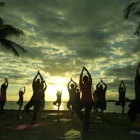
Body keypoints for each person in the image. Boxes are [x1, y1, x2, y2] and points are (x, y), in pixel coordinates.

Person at [75, 66, 93, 131]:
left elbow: (82, 77)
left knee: (87, 115)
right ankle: (83, 119)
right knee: (77, 109)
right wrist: (86, 70)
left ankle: (85, 128)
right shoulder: (83, 85)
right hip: (85, 101)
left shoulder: (88, 84)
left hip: (89, 102)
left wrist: (83, 71)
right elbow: (89, 76)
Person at [128, 62, 140, 126]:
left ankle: (137, 120)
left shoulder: (137, 87)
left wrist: (138, 66)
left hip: (138, 102)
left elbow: (136, 75)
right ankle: (137, 120)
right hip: (137, 102)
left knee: (130, 113)